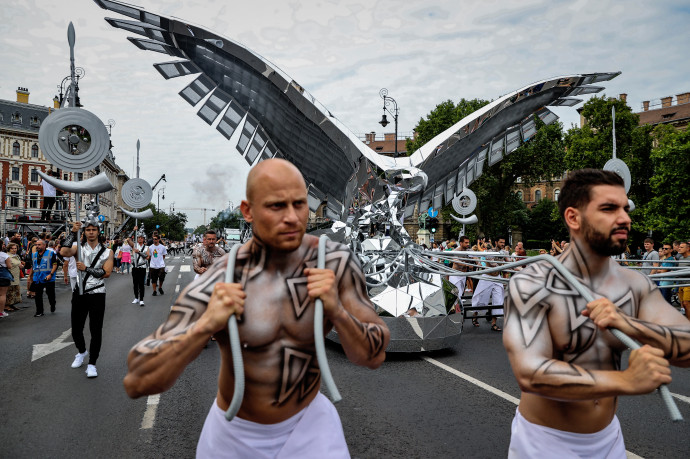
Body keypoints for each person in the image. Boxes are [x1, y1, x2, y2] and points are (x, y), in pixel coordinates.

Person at [123, 159, 389, 457]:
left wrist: (338, 311)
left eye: (299, 204)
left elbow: (373, 356)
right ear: (247, 211)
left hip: (312, 429)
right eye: (276, 206)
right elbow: (138, 380)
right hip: (234, 435)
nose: (292, 218)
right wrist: (205, 325)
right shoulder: (222, 278)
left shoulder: (334, 263)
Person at [503, 169, 690, 458]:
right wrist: (627, 381)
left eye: (625, 209)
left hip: (609, 440)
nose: (625, 218)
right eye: (609, 208)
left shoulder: (635, 284)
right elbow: (530, 373)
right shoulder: (532, 283)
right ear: (573, 217)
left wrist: (627, 324)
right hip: (544, 443)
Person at [60, 220, 114, 378]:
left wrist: (86, 269)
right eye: (88, 230)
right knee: (76, 329)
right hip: (79, 293)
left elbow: (107, 273)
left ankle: (92, 364)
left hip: (97, 293)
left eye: (94, 230)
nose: (91, 232)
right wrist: (72, 232)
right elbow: (63, 252)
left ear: (99, 232)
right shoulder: (78, 248)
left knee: (95, 330)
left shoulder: (107, 252)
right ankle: (82, 352)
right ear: (84, 232)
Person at [470, 236, 507, 331]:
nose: (503, 244)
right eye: (501, 242)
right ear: (496, 242)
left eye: (504, 242)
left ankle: (494, 324)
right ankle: (475, 315)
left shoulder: (504, 253)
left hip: (497, 278)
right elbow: (494, 265)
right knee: (480, 299)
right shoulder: (490, 252)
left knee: (498, 300)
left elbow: (510, 264)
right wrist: (504, 262)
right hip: (487, 277)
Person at [31, 238, 57, 317]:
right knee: (38, 295)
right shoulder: (34, 254)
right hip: (38, 278)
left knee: (50, 294)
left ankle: (52, 304)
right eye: (36, 245)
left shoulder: (51, 253)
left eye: (39, 245)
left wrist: (50, 274)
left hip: (48, 277)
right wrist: (30, 276)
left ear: (44, 245)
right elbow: (33, 266)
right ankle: (39, 311)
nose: (37, 246)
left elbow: (55, 265)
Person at [127, 231, 149, 306]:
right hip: (135, 267)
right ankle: (136, 298)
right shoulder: (134, 245)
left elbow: (147, 257)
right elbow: (128, 239)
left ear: (143, 239)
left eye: (141, 238)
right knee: (135, 283)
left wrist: (139, 252)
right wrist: (133, 230)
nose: (140, 239)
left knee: (141, 284)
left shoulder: (146, 247)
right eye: (138, 237)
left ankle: (141, 299)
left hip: (142, 267)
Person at [6, 243, 24, 310]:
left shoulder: (16, 256)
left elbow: (18, 263)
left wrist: (20, 265)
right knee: (10, 292)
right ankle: (6, 305)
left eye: (15, 248)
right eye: (12, 248)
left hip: (16, 276)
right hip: (10, 276)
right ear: (9, 249)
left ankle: (12, 304)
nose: (14, 250)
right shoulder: (8, 256)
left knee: (15, 291)